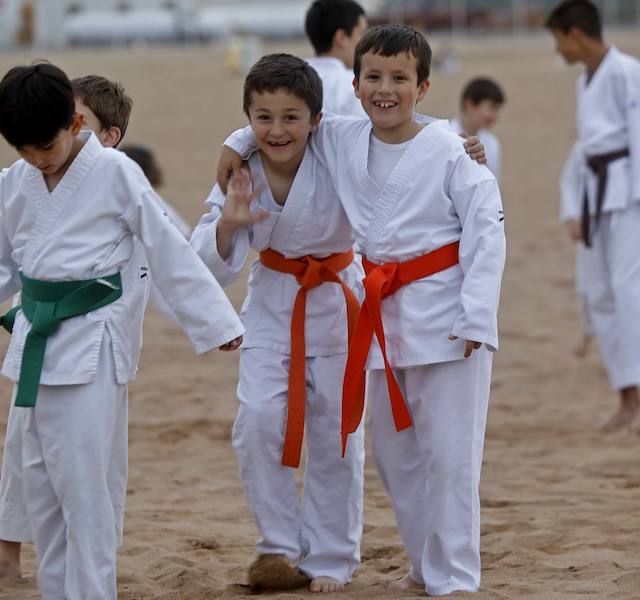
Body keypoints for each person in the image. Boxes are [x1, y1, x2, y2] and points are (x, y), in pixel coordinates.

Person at [0, 62, 244, 600]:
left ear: (76, 123)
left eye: (44, 146)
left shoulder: (115, 173)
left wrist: (215, 323)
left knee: (84, 490)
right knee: (41, 485)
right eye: (22, 150)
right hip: (34, 342)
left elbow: (167, 251)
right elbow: (1, 264)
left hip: (94, 343)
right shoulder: (23, 179)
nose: (35, 159)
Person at [220, 24, 506, 596]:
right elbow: (278, 125)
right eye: (373, 77)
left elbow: (487, 232)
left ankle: (454, 579)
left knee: (449, 457)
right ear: (354, 84)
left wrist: (477, 314)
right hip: (378, 320)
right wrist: (232, 146)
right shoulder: (342, 137)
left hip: (447, 316)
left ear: (423, 87)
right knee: (396, 458)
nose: (385, 89)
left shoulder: (451, 150)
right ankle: (426, 567)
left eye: (400, 78)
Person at [190, 53, 364, 594]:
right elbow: (207, 264)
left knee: (338, 433)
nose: (277, 129)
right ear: (247, 119)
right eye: (262, 118)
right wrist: (228, 224)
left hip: (338, 305)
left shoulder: (339, 147)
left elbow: (400, 133)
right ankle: (278, 548)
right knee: (258, 423)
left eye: (291, 117)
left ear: (316, 119)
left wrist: (463, 145)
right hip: (272, 307)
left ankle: (331, 556)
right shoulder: (239, 171)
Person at [546, 0, 640, 434]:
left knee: (631, 292)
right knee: (599, 294)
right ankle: (627, 396)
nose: (558, 49)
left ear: (576, 34)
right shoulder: (586, 81)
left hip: (631, 195)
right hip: (596, 195)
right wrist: (574, 206)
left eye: (559, 39)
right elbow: (586, 151)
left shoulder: (627, 71)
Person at [559, 142, 596, 358]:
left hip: (625, 227)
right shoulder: (584, 146)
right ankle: (588, 332)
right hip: (590, 225)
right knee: (587, 284)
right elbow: (569, 181)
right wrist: (572, 216)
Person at [304, 0, 368, 117]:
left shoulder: (289, 79)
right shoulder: (354, 86)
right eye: (362, 34)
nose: (366, 42)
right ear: (342, 37)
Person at [449, 77, 505, 179]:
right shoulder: (446, 137)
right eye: (491, 108)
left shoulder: (492, 143)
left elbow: (494, 187)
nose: (494, 117)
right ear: (469, 104)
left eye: (497, 110)